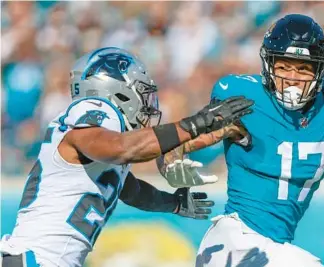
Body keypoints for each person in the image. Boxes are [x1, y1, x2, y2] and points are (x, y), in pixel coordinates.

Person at [159, 14, 324, 267]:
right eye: (284, 66)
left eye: (303, 68)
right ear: (268, 66)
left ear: (319, 70)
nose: (292, 77)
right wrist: (171, 166)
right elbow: (173, 146)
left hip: (275, 248)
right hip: (234, 242)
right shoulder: (246, 101)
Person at [0, 47, 254, 267]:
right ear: (117, 91)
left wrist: (173, 203)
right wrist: (194, 124)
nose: (148, 104)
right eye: (142, 93)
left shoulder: (106, 146)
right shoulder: (95, 112)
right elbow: (121, 148)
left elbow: (131, 190)